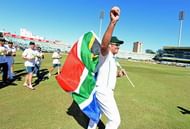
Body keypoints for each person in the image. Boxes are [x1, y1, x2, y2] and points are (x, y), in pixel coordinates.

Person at [88, 6, 126, 129]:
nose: (118, 48)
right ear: (110, 46)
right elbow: (104, 45)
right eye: (116, 45)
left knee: (95, 117)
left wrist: (119, 74)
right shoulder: (105, 54)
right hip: (104, 91)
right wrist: (112, 22)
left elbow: (109, 74)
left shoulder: (112, 59)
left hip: (105, 90)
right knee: (115, 120)